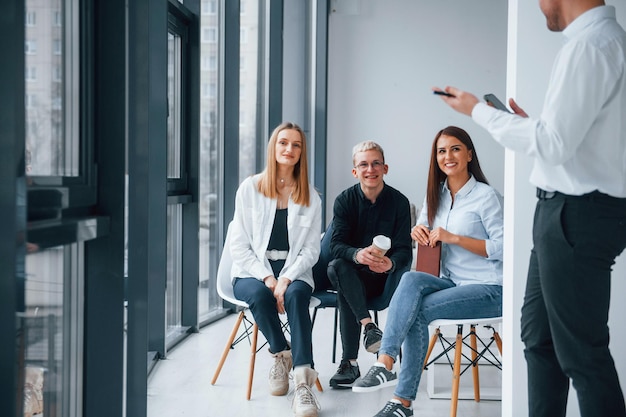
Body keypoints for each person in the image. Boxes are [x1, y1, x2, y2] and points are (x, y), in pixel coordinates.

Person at [434, 2, 626, 416]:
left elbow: (553, 144)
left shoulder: (591, 46)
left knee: (582, 354)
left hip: (575, 216)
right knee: (539, 339)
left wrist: (477, 110)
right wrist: (531, 125)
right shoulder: (603, 43)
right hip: (568, 214)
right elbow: (569, 139)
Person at [352, 126, 504, 417]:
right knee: (409, 279)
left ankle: (401, 401)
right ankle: (385, 364)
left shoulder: (487, 197)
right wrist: (418, 231)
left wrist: (454, 238)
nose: (448, 156)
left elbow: (502, 247)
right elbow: (421, 229)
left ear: (469, 154)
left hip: (489, 287)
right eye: (442, 151)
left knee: (417, 311)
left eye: (456, 149)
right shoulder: (436, 195)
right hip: (450, 281)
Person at [229, 122, 322, 417]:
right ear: (274, 147)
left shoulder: (311, 196)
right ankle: (282, 354)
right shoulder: (250, 188)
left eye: (296, 145)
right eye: (283, 143)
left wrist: (285, 278)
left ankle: (303, 383)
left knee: (296, 296)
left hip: (294, 271)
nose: (289, 149)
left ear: (301, 153)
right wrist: (268, 277)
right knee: (258, 295)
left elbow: (311, 250)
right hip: (253, 271)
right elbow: (238, 246)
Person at [327, 140, 413, 389]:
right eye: (363, 164)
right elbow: (336, 245)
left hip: (383, 281)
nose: (370, 169)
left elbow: (405, 251)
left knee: (344, 285)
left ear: (385, 168)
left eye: (376, 163)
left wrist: (390, 264)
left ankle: (349, 364)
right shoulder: (344, 200)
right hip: (350, 274)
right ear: (355, 171)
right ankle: (370, 327)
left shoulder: (399, 202)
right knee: (338, 267)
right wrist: (357, 254)